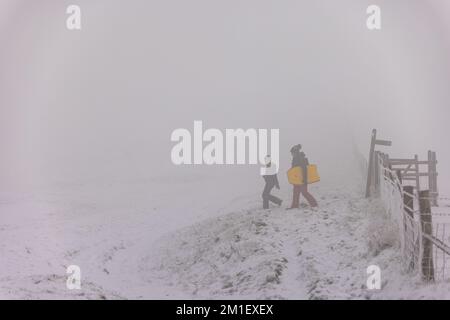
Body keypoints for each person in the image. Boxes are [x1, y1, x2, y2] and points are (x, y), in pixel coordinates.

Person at [288, 144, 318, 209]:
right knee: (296, 192)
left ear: (295, 152)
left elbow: (304, 169)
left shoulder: (301, 158)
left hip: (302, 179)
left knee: (304, 192)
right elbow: (295, 170)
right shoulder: (295, 158)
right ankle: (294, 206)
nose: (291, 154)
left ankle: (314, 204)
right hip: (297, 179)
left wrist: (304, 179)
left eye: (292, 152)